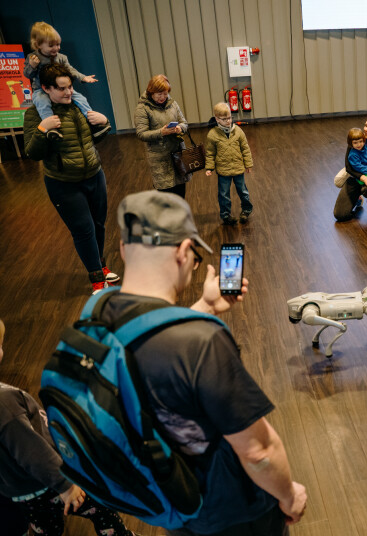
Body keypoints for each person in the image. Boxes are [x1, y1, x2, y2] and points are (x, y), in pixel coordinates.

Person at [106, 191, 307, 535]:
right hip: (230, 512)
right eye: (195, 257)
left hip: (171, 501)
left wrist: (206, 306)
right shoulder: (201, 343)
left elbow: (148, 343)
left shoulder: (98, 319)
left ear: (124, 249)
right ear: (183, 251)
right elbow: (258, 451)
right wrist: (289, 495)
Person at [0, 319, 136, 536]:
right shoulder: (4, 403)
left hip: (19, 491)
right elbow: (33, 453)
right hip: (46, 483)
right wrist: (65, 485)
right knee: (101, 506)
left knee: (46, 525)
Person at [23, 63, 118, 294]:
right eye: (62, 88)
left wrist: (104, 122)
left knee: (98, 225)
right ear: (46, 88)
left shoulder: (77, 105)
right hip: (64, 184)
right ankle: (96, 279)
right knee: (84, 229)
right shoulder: (35, 114)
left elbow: (90, 140)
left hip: (94, 175)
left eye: (70, 87)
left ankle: (101, 266)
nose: (68, 92)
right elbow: (33, 154)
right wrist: (43, 130)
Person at [23, 22, 108, 140]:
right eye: (51, 45)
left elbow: (70, 70)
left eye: (58, 44)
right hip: (41, 89)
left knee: (81, 98)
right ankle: (52, 128)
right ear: (38, 45)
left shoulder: (61, 57)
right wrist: (32, 66)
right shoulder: (33, 58)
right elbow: (27, 74)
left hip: (61, 89)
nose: (56, 48)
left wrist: (83, 77)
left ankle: (92, 122)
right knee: (42, 102)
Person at [134, 74, 190, 197]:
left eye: (165, 93)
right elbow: (141, 134)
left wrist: (180, 128)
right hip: (160, 158)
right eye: (159, 94)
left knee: (180, 195)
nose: (163, 97)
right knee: (166, 197)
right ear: (151, 92)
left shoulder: (172, 103)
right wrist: (161, 132)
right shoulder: (142, 108)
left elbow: (184, 123)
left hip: (178, 154)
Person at [205, 102, 254, 225]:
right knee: (224, 194)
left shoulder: (238, 131)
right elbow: (210, 153)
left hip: (238, 168)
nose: (228, 121)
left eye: (230, 118)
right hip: (223, 170)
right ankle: (225, 215)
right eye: (224, 119)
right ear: (217, 119)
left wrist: (248, 164)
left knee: (243, 191)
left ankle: (246, 209)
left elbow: (245, 148)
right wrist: (209, 168)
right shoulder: (212, 135)